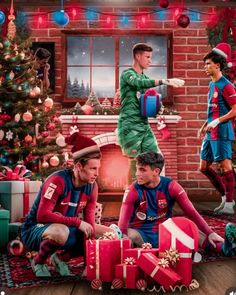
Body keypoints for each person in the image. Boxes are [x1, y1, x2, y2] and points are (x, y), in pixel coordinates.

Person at [21, 131, 118, 277]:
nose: (97, 173)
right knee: (61, 232)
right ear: (78, 166)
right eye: (93, 168)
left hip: (66, 227)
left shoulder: (92, 186)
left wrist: (88, 265)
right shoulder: (57, 181)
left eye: (98, 168)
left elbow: (89, 225)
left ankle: (61, 259)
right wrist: (77, 223)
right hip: (35, 229)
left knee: (110, 234)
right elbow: (42, 216)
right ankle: (39, 261)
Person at [118, 151, 236, 257]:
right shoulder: (133, 190)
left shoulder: (172, 187)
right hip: (140, 233)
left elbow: (191, 212)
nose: (137, 173)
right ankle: (150, 251)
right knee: (126, 234)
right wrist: (122, 238)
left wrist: (210, 232)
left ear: (156, 171)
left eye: (142, 170)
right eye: (137, 169)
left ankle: (225, 248)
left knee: (193, 230)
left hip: (165, 231)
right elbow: (123, 222)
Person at [117, 43, 184, 182]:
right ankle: (130, 196)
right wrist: (165, 81)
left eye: (151, 57)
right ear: (137, 56)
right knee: (135, 161)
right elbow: (138, 83)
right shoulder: (127, 74)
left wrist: (157, 108)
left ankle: (148, 194)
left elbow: (147, 100)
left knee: (154, 158)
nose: (150, 61)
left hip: (143, 125)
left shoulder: (146, 78)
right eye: (147, 57)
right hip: (129, 125)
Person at [199, 43, 236, 214]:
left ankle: (230, 203)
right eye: (204, 64)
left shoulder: (226, 85)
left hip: (222, 131)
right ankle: (224, 197)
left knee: (225, 167)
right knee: (204, 167)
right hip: (210, 131)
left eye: (208, 64)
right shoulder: (211, 84)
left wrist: (217, 122)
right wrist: (205, 124)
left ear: (218, 65)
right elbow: (213, 109)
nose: (205, 67)